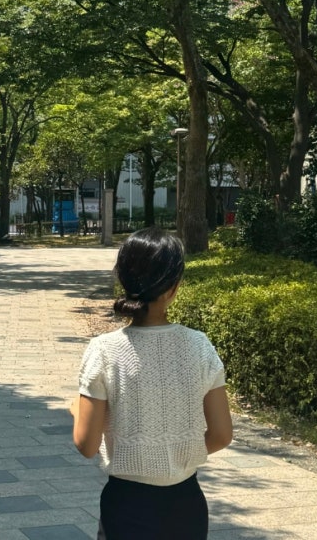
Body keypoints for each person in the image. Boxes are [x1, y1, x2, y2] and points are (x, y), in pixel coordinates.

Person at [71, 227, 232, 540]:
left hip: (126, 505)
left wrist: (76, 410)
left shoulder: (104, 350)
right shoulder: (199, 346)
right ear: (174, 287)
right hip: (186, 504)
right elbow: (222, 435)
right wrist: (177, 455)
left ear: (123, 279)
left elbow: (86, 445)